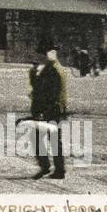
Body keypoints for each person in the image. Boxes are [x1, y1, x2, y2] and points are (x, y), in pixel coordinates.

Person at [28, 38, 69, 180]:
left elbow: (52, 92)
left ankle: (51, 168)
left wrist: (42, 111)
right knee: (50, 139)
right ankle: (56, 169)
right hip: (54, 108)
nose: (41, 56)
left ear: (51, 53)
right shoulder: (52, 67)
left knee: (43, 138)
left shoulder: (53, 69)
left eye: (43, 53)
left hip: (52, 109)